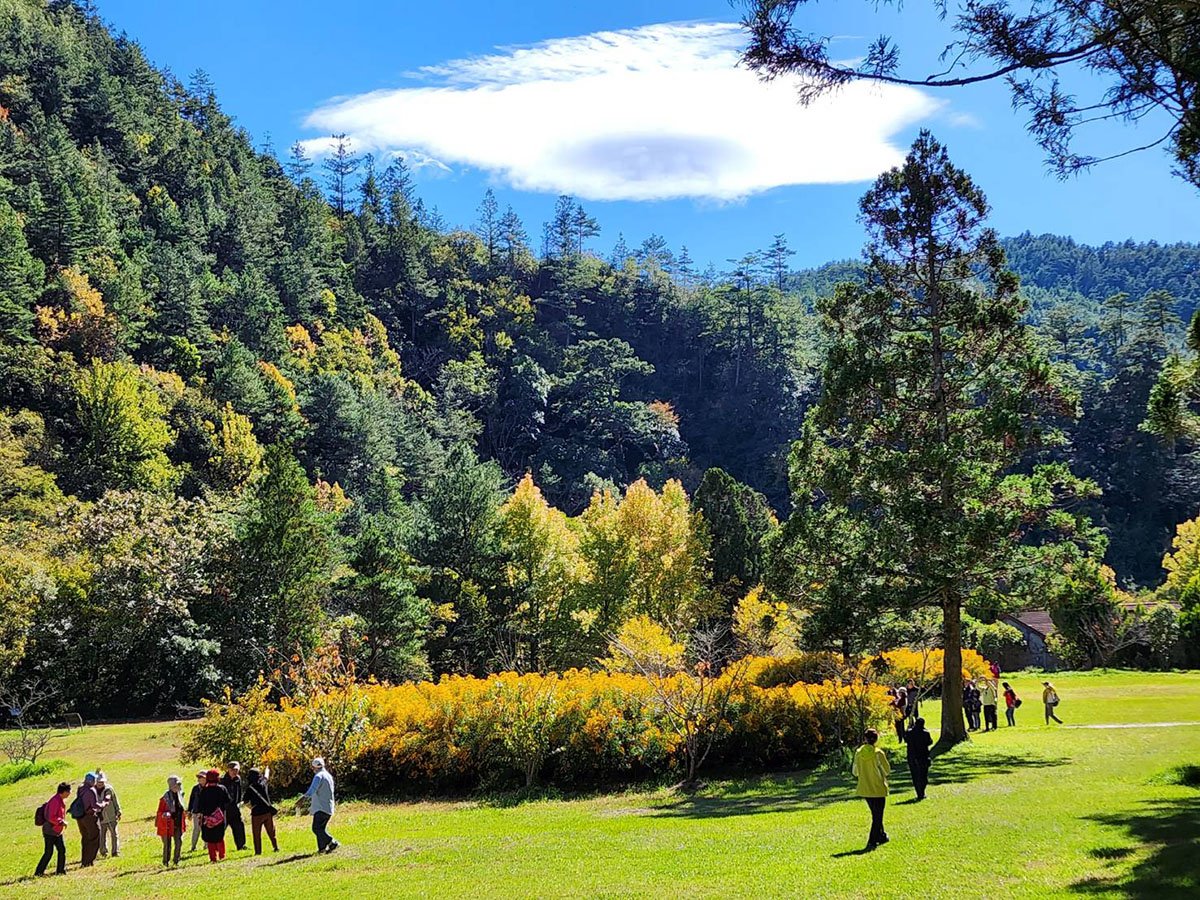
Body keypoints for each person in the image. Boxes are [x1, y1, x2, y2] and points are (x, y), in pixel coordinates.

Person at [852, 730, 891, 850]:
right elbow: (886, 770)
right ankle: (872, 841)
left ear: (865, 739)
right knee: (877, 816)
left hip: (865, 787)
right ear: (876, 739)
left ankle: (881, 836)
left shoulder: (858, 753)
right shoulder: (878, 753)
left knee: (875, 813)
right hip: (878, 788)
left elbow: (855, 772)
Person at [35, 782, 71, 877]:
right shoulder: (55, 801)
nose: (69, 793)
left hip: (56, 830)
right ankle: (39, 872)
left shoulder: (59, 799)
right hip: (51, 830)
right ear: (64, 792)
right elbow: (51, 817)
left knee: (61, 850)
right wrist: (61, 822)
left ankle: (60, 870)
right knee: (49, 852)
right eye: (68, 791)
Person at [304, 757, 339, 854]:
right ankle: (322, 849)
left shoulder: (318, 776)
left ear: (313, 767)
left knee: (316, 828)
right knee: (321, 829)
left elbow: (312, 789)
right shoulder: (328, 775)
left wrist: (303, 799)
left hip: (320, 807)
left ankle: (332, 842)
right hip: (329, 806)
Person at [245, 766, 279, 855]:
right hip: (267, 812)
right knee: (271, 831)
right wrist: (267, 769)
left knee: (256, 834)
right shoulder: (263, 784)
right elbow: (266, 777)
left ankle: (258, 852)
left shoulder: (250, 789)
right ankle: (275, 846)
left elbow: (245, 801)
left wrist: (251, 808)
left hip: (256, 814)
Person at [71, 772, 103, 867]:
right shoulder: (91, 791)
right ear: (91, 781)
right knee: (95, 836)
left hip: (80, 817)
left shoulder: (80, 788)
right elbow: (94, 805)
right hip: (89, 817)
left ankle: (84, 860)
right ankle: (89, 860)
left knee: (85, 838)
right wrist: (103, 804)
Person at [198, 769, 230, 862]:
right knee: (219, 837)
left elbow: (200, 806)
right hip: (219, 817)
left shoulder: (204, 791)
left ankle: (213, 858)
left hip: (207, 818)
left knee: (210, 838)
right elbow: (228, 801)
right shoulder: (222, 789)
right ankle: (222, 855)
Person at [155, 775, 187, 866]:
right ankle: (166, 861)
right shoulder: (165, 798)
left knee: (179, 842)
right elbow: (159, 812)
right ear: (172, 786)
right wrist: (165, 814)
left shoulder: (180, 795)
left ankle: (176, 860)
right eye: (177, 784)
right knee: (167, 844)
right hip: (167, 824)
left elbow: (183, 808)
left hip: (178, 823)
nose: (179, 786)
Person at [903, 717, 933, 801]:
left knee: (915, 776)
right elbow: (930, 742)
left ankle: (919, 792)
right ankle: (922, 792)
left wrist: (908, 729)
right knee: (923, 776)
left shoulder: (909, 733)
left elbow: (905, 739)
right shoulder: (925, 733)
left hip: (912, 757)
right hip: (923, 757)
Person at [221, 761, 246, 852]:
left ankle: (241, 845)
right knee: (221, 828)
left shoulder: (238, 779)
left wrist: (239, 802)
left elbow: (239, 792)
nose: (235, 772)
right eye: (233, 770)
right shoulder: (222, 780)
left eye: (236, 770)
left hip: (235, 807)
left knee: (239, 826)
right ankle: (216, 846)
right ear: (228, 770)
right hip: (225, 808)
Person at [96, 773, 122, 858]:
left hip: (111, 816)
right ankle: (103, 852)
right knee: (101, 835)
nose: (100, 784)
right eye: (99, 782)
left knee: (114, 834)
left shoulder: (109, 789)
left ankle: (115, 852)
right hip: (100, 817)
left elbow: (114, 800)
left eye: (102, 782)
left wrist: (118, 811)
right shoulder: (93, 790)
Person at [187, 770, 206, 853]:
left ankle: (206, 845)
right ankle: (193, 846)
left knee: (205, 829)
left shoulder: (209, 788)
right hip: (196, 812)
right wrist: (189, 811)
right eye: (198, 777)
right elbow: (191, 800)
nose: (199, 779)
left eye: (201, 777)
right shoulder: (195, 788)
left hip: (206, 813)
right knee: (196, 829)